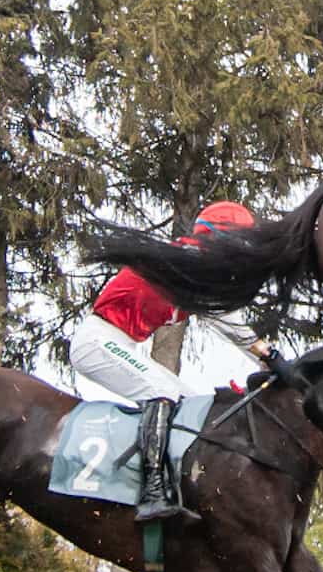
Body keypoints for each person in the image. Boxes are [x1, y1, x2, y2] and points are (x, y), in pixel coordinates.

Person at [70, 200, 259, 521]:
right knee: (162, 391)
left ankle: (173, 485)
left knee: (191, 402)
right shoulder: (188, 262)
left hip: (120, 343)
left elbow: (231, 323)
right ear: (218, 240)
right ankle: (151, 492)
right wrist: (271, 357)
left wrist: (271, 360)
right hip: (96, 340)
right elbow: (230, 324)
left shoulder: (194, 265)